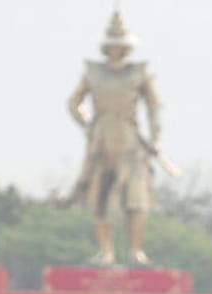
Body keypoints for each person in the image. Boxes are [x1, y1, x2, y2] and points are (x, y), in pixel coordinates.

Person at [66, 9, 162, 266]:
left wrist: (155, 136)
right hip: (101, 140)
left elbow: (154, 107)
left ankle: (136, 251)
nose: (115, 50)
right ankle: (105, 251)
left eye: (119, 46)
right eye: (111, 46)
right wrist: (88, 124)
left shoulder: (139, 73)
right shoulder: (93, 72)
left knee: (136, 197)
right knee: (100, 194)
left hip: (130, 138)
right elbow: (74, 102)